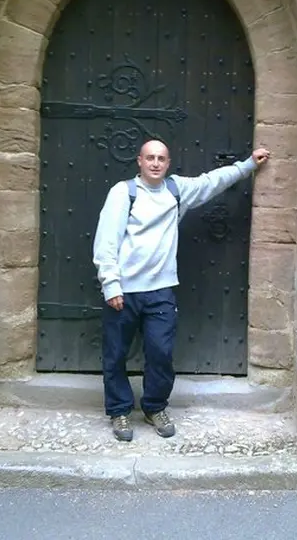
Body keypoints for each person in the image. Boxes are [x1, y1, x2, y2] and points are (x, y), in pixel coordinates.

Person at [93, 140, 270, 442]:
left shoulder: (176, 190)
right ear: (139, 161)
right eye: (150, 157)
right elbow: (106, 240)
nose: (155, 163)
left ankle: (154, 407)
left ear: (168, 162)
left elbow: (212, 181)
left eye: (161, 158)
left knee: (160, 353)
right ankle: (119, 411)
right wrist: (111, 284)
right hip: (124, 291)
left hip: (160, 291)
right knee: (116, 354)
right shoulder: (124, 192)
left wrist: (248, 165)